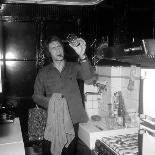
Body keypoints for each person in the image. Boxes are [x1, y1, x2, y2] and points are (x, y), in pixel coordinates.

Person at [32, 35, 94, 155]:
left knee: (68, 153)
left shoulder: (73, 67)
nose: (58, 50)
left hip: (73, 120)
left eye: (59, 46)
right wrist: (52, 102)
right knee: (50, 152)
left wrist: (82, 55)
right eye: (53, 48)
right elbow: (36, 96)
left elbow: (89, 77)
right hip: (54, 121)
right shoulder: (43, 72)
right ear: (49, 53)